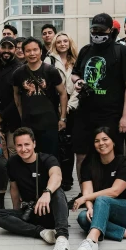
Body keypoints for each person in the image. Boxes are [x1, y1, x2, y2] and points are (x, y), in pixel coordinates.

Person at [72, 14, 126, 182]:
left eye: (101, 30)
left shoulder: (121, 51)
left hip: (112, 114)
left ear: (111, 31)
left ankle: (109, 194)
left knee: (111, 156)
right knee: (81, 155)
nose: (97, 33)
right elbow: (75, 74)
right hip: (85, 112)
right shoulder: (86, 50)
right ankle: (85, 194)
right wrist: (79, 81)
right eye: (94, 30)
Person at [0, 128, 71, 250]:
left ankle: (62, 238)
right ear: (15, 146)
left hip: (52, 212)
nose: (23, 149)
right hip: (31, 212)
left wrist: (47, 193)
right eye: (19, 145)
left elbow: (57, 176)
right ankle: (43, 232)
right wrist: (17, 214)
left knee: (58, 191)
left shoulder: (47, 159)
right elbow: (14, 188)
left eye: (27, 144)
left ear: (34, 143)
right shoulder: (13, 162)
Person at [13, 38, 67, 157]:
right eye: (28, 51)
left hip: (49, 122)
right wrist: (22, 115)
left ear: (41, 51)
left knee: (50, 156)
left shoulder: (51, 71)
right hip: (29, 124)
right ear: (23, 52)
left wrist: (62, 118)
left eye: (35, 50)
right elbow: (16, 96)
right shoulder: (18, 73)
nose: (32, 54)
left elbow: (63, 93)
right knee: (30, 156)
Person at [46, 32, 80, 191]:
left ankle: (67, 178)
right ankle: (55, 177)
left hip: (74, 107)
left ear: (69, 42)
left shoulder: (77, 60)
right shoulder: (49, 60)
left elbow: (80, 85)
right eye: (59, 41)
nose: (62, 44)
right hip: (54, 108)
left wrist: (69, 106)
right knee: (56, 144)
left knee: (69, 145)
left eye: (65, 41)